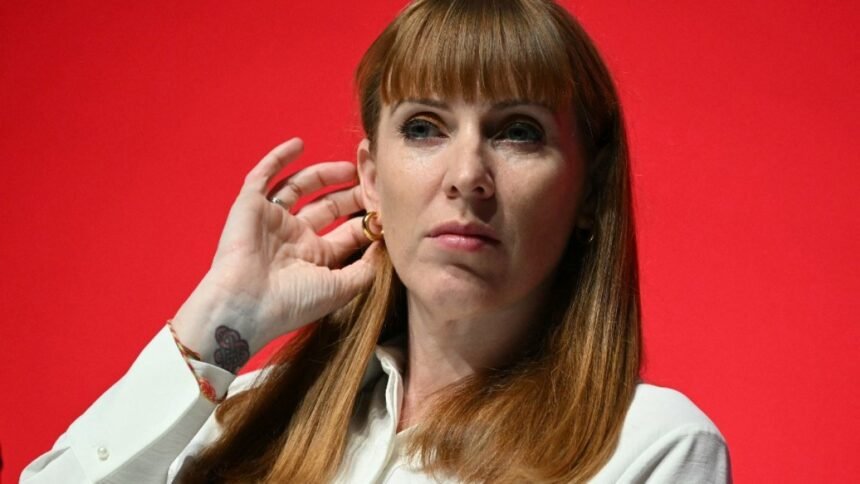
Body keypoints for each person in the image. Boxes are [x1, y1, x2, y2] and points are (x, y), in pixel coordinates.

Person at [22, 0, 731, 482]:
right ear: (371, 180)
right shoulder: (247, 413)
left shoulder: (649, 447)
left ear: (589, 190)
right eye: (424, 128)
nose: (466, 175)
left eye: (518, 132)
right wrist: (221, 322)